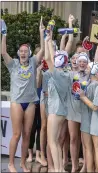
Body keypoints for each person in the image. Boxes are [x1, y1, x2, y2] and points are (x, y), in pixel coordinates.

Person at [1, 17, 44, 172]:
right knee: (17, 134)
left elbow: (43, 51)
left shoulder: (33, 62)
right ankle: (11, 163)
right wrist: (4, 34)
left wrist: (42, 33)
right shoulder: (13, 64)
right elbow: (3, 51)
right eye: (22, 51)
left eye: (26, 51)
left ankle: (23, 163)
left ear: (29, 53)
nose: (24, 53)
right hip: (17, 102)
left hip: (31, 102)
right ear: (18, 53)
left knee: (27, 135)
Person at [44, 30, 71, 172]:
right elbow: (48, 57)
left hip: (55, 111)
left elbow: (48, 59)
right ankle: (60, 169)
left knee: (52, 142)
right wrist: (47, 40)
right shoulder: (66, 73)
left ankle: (56, 170)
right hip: (62, 112)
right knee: (57, 143)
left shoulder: (58, 74)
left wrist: (49, 39)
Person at [81, 62, 98, 172]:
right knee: (95, 149)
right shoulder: (95, 84)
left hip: (88, 119)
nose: (86, 69)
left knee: (88, 148)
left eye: (89, 67)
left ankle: (90, 170)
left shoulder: (93, 85)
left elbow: (92, 104)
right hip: (95, 120)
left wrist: (82, 96)